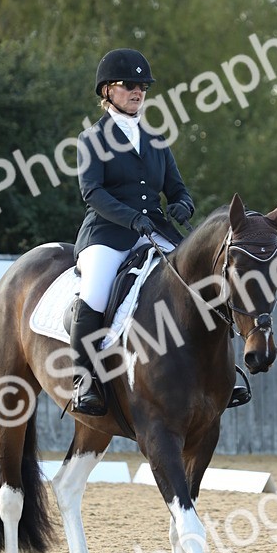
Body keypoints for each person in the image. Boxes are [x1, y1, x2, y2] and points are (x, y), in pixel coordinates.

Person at [69, 47, 193, 415]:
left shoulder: (156, 141)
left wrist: (182, 205)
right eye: (129, 85)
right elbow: (93, 193)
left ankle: (217, 370)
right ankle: (84, 378)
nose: (138, 91)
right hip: (107, 234)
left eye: (143, 86)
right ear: (107, 91)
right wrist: (132, 219)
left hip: (155, 231)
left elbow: (177, 189)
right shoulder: (92, 139)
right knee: (94, 292)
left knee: (201, 282)